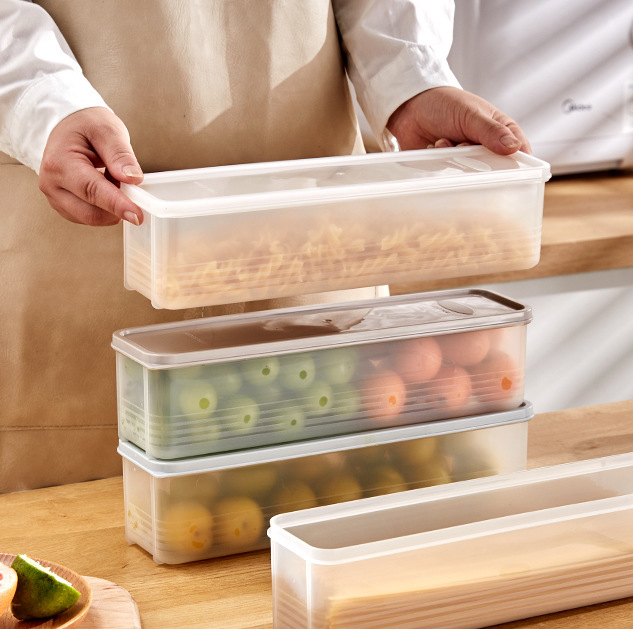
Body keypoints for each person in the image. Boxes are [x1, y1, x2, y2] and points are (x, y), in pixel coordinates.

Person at [0, 0, 531, 493]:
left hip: (314, 245)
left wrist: (410, 80)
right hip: (77, 224)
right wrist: (40, 103)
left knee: (323, 509)